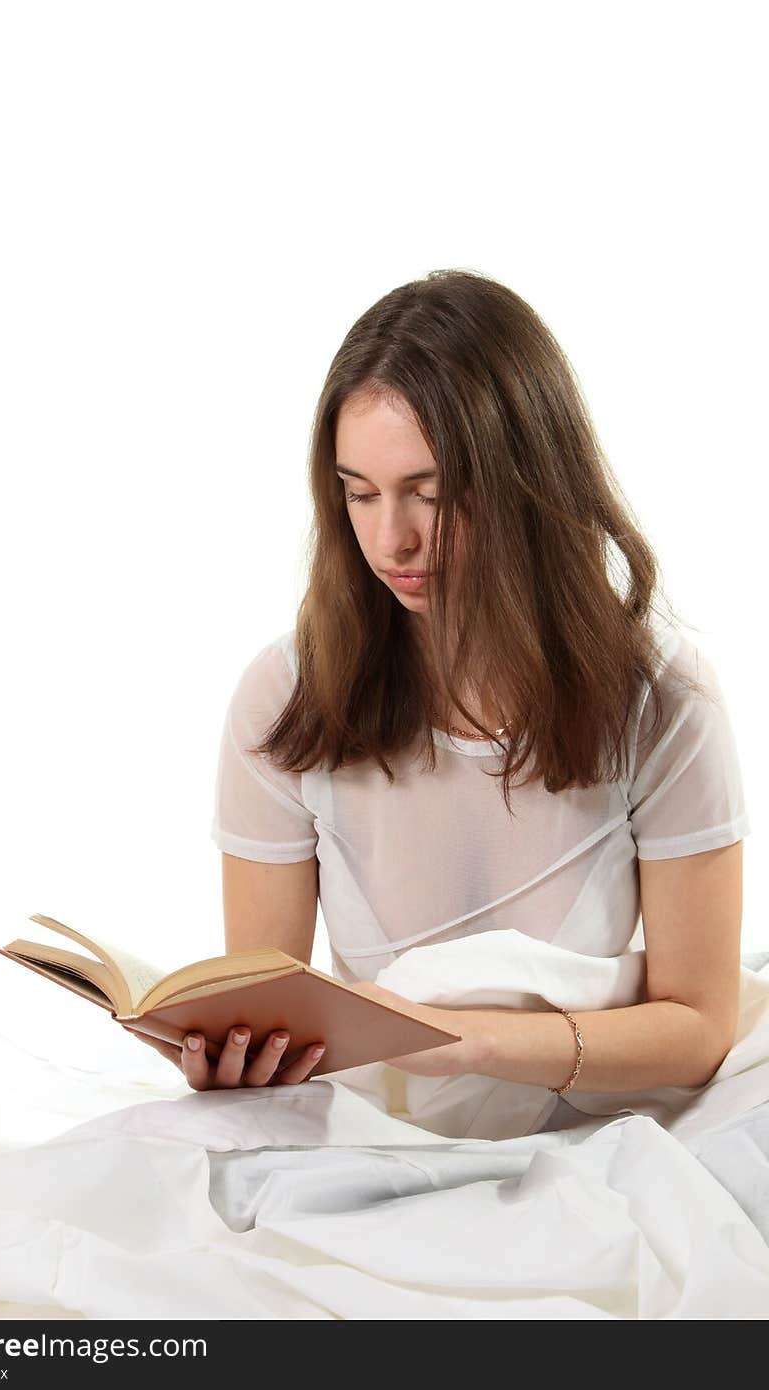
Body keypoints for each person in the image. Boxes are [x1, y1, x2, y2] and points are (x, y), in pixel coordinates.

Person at [125, 269, 750, 1135]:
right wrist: (237, 1060)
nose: (393, 540)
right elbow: (268, 1003)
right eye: (360, 493)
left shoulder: (664, 702)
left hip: (603, 1137)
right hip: (377, 1137)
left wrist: (475, 1042)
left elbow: (701, 1025)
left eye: (431, 491)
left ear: (532, 479)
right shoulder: (285, 698)